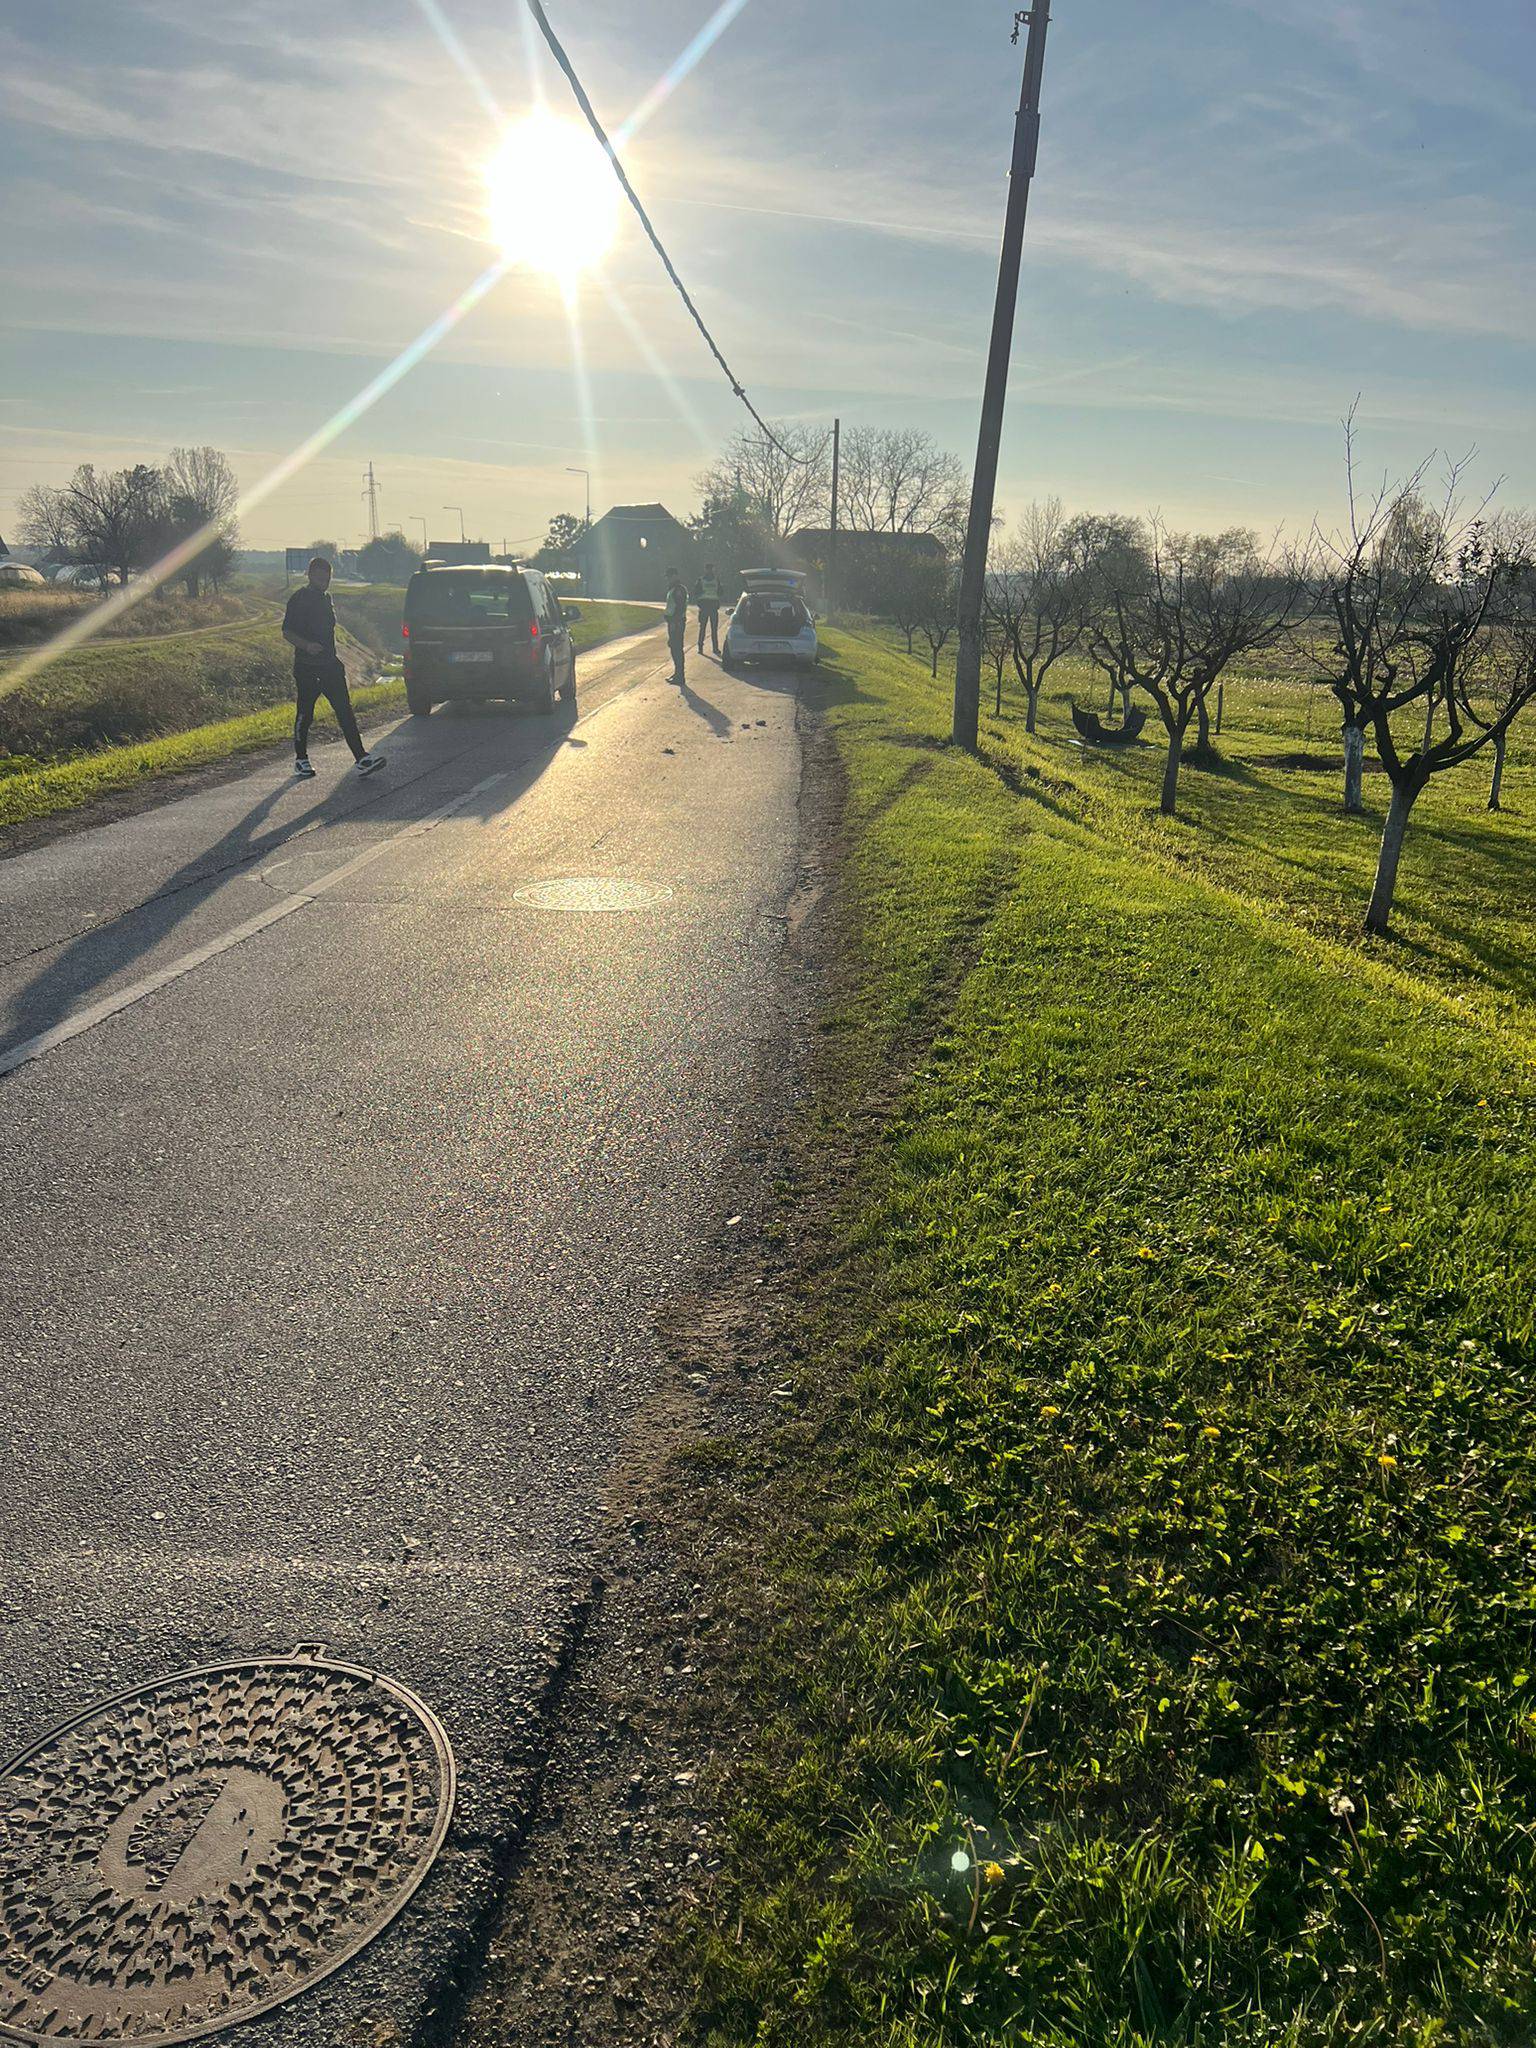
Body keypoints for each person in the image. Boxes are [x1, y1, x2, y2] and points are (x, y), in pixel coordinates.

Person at [282, 556, 385, 780]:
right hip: (307, 668)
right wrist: (307, 646)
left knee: (345, 712)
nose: (324, 581)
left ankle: (361, 758)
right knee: (305, 713)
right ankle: (301, 760)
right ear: (310, 575)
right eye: (320, 577)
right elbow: (287, 631)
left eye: (327, 578)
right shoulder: (299, 599)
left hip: (330, 666)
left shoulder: (327, 598)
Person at [664, 567, 689, 684]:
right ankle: (677, 673)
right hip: (673, 622)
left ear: (675, 575)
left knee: (677, 648)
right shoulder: (673, 589)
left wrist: (675, 622)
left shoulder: (679, 590)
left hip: (676, 623)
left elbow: (680, 608)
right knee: (674, 648)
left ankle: (680, 676)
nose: (668, 579)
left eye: (669, 576)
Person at [695, 561, 721, 655]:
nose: (710, 571)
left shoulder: (712, 580)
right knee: (705, 628)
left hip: (709, 607)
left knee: (709, 629)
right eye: (708, 569)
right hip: (707, 607)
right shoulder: (703, 580)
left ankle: (709, 648)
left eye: (710, 569)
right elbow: (720, 592)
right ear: (706, 570)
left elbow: (720, 591)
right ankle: (704, 648)